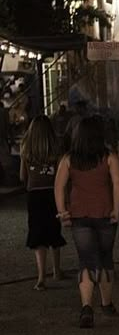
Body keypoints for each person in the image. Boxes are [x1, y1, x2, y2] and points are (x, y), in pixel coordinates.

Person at [54, 115, 119, 329]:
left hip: (79, 215)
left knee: (85, 260)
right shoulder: (109, 157)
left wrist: (62, 211)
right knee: (105, 258)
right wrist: (116, 210)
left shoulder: (68, 159)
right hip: (104, 214)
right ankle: (106, 303)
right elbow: (118, 183)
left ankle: (86, 307)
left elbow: (58, 186)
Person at [19, 115, 66, 289]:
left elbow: (22, 176)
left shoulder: (26, 149)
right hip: (52, 192)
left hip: (34, 195)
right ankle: (57, 269)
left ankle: (41, 277)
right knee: (54, 230)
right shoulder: (56, 148)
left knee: (37, 233)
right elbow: (61, 175)